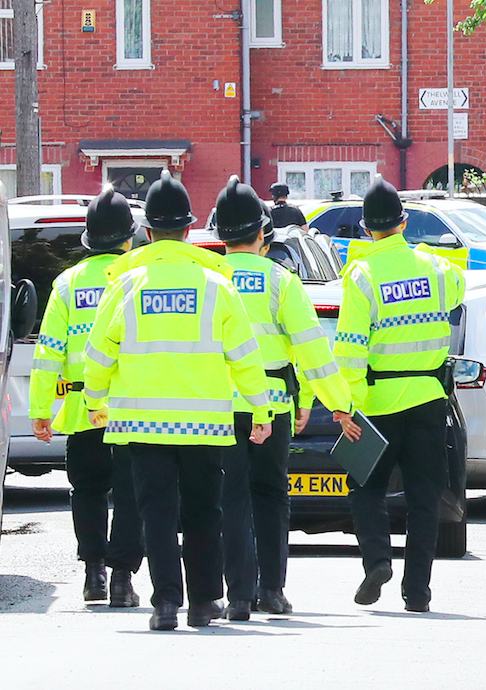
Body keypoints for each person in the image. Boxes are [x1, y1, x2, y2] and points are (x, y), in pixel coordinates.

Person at [82, 170, 274, 631]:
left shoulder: (125, 285)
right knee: (205, 511)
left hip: (143, 424)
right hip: (206, 424)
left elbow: (98, 354)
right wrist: (262, 410)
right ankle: (204, 602)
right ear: (189, 230)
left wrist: (94, 400)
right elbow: (245, 357)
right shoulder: (216, 285)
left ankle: (166, 602)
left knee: (157, 513)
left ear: (146, 232)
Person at [213, 176, 358, 621]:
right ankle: (271, 590)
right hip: (272, 406)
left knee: (229, 498)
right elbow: (312, 348)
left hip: (217, 408)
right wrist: (333, 402)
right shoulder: (281, 282)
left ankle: (237, 595)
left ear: (219, 234)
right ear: (263, 233)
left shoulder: (209, 280)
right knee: (272, 495)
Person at [334, 175, 464, 613]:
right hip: (428, 398)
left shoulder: (363, 275)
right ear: (404, 222)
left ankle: (377, 560)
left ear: (366, 229)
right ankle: (418, 593)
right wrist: (425, 254)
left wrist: (345, 407)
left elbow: (349, 348)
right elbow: (459, 284)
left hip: (377, 402)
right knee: (424, 499)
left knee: (363, 487)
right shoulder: (434, 269)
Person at [29, 187, 145, 607]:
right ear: (128, 239)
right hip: (133, 409)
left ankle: (93, 572)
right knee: (133, 493)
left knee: (89, 490)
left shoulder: (67, 283)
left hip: (81, 410)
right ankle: (121, 578)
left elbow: (47, 355)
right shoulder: (139, 279)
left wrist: (41, 410)